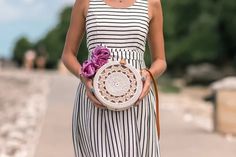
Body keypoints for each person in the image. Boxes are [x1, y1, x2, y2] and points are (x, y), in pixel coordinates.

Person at [61, 0, 167, 156]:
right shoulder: (85, 2)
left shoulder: (151, 2)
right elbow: (68, 55)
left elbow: (160, 60)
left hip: (137, 100)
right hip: (95, 99)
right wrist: (85, 79)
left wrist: (149, 74)